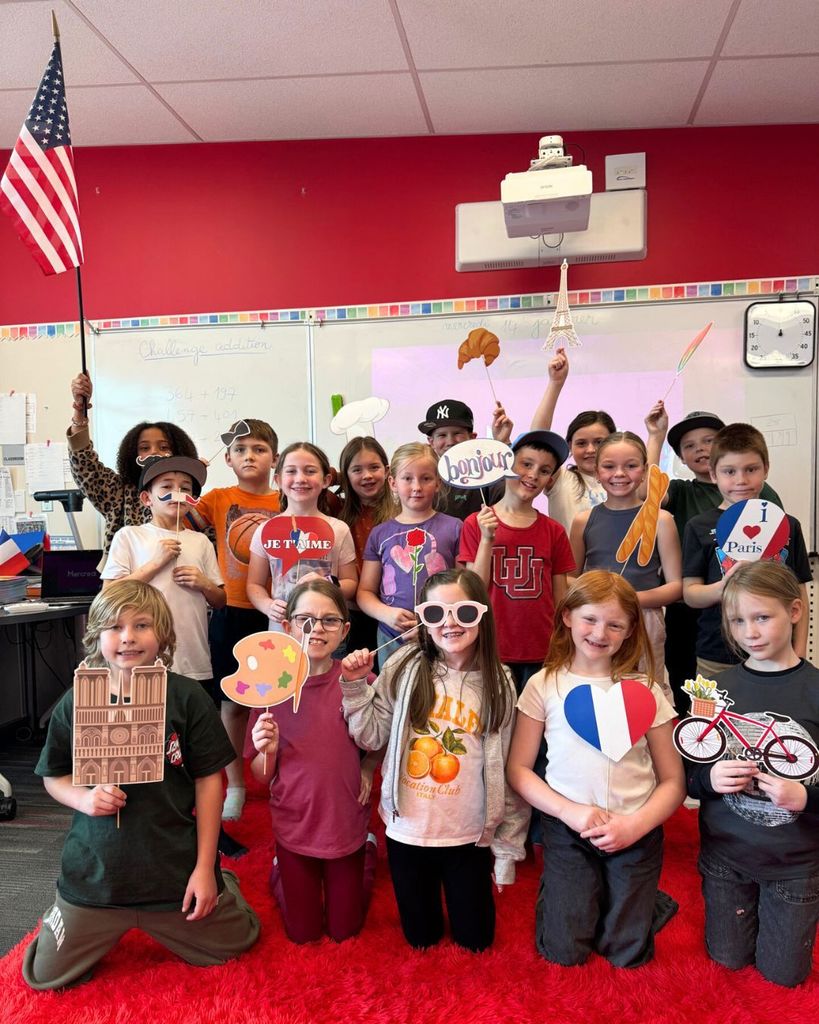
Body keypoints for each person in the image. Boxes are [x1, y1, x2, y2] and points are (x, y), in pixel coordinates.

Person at [21, 580, 259, 990]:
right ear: (95, 635)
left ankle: (226, 886)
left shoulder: (185, 698)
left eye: (142, 625)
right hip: (95, 878)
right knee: (44, 977)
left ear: (162, 634)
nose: (128, 636)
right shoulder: (77, 699)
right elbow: (52, 775)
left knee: (240, 942)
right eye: (115, 627)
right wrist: (82, 797)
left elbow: (208, 780)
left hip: (170, 873)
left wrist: (205, 869)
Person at [341, 568, 528, 952]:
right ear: (423, 618)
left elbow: (508, 772)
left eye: (463, 612)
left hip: (468, 833)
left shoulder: (500, 683)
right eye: (435, 613)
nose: (450, 623)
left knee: (476, 941)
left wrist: (507, 848)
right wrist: (356, 687)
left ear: (482, 615)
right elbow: (371, 735)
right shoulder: (404, 666)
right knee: (420, 939)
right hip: (408, 829)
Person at [507, 571, 684, 968]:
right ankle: (571, 895)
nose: (600, 632)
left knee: (627, 954)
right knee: (564, 952)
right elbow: (519, 770)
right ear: (568, 616)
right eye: (590, 619)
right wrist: (571, 812)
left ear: (629, 630)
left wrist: (635, 826)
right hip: (568, 827)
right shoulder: (543, 684)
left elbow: (674, 781)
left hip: (635, 827)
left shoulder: (647, 690)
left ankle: (641, 901)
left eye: (614, 624)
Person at [685, 561, 819, 987]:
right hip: (726, 858)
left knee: (783, 977)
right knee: (727, 961)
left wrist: (806, 798)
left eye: (762, 617)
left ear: (795, 611)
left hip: (795, 865)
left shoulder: (814, 690)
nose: (750, 633)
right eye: (737, 620)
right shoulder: (716, 691)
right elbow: (688, 773)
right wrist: (709, 781)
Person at [247, 580, 379, 943]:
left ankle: (368, 851)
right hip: (294, 823)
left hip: (345, 823)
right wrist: (266, 750)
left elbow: (381, 737)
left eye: (328, 621)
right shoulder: (269, 687)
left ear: (345, 630)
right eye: (305, 619)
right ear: (287, 626)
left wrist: (368, 767)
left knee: (344, 930)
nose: (316, 629)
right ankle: (281, 869)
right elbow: (261, 776)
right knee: (302, 933)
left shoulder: (360, 680)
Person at [644, 404, 783, 707]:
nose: (700, 449)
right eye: (689, 446)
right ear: (681, 458)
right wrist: (656, 436)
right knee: (691, 691)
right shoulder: (681, 491)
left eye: (708, 440)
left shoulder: (762, 494)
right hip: (690, 606)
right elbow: (648, 493)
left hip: (748, 605)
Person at [190, 418, 280, 822]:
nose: (250, 456)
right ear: (227, 458)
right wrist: (191, 483)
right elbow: (181, 520)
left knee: (284, 703)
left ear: (274, 458)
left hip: (279, 612)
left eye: (259, 449)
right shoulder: (219, 497)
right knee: (233, 705)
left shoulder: (285, 498)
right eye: (241, 450)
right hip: (233, 610)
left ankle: (282, 778)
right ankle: (237, 785)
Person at [682, 423, 811, 677]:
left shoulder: (787, 525)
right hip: (716, 655)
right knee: (715, 717)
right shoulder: (699, 526)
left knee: (777, 716)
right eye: (729, 471)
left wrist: (799, 650)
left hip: (779, 652)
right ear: (713, 473)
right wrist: (722, 587)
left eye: (751, 469)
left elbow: (799, 593)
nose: (741, 480)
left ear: (766, 470)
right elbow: (690, 593)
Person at [459, 430, 575, 692]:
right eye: (526, 464)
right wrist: (487, 538)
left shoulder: (554, 531)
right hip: (491, 649)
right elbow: (472, 591)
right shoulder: (475, 524)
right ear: (506, 465)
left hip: (542, 650)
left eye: (544, 470)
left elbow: (560, 598)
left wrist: (564, 643)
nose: (533, 475)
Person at [569, 431, 681, 702]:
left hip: (644, 619)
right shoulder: (584, 521)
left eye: (631, 466)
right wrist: (600, 600)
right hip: (595, 620)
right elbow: (570, 578)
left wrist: (628, 599)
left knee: (645, 690)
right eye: (609, 466)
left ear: (644, 471)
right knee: (597, 686)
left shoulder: (662, 520)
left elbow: (676, 586)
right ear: (597, 471)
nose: (620, 473)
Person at [101, 455, 225, 690]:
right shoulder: (129, 536)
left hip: (193, 658)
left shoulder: (201, 541)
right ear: (147, 498)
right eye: (167, 486)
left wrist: (204, 583)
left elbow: (220, 600)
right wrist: (156, 563)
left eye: (185, 488)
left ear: (193, 500)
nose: (176, 493)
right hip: (141, 656)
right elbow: (109, 593)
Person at [67, 372, 198, 555]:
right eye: (144, 448)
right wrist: (80, 411)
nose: (154, 452)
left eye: (164, 447)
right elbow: (84, 463)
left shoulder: (188, 496)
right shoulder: (119, 492)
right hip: (126, 580)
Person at [357, 443, 462, 668]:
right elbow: (364, 592)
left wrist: (433, 623)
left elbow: (463, 588)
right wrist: (386, 614)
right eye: (407, 479)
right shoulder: (380, 534)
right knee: (394, 696)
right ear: (393, 483)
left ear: (438, 483)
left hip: (442, 632)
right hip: (392, 635)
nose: (416, 487)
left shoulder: (454, 528)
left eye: (425, 478)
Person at [246, 442, 358, 630]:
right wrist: (267, 605)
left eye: (310, 471)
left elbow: (351, 582)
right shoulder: (266, 530)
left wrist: (328, 583)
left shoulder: (338, 529)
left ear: (326, 480)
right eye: (291, 471)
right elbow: (254, 584)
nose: (300, 478)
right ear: (278, 480)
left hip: (327, 630)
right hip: (282, 629)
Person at [528, 346, 615, 533]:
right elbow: (536, 441)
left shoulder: (623, 481)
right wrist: (555, 383)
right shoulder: (561, 479)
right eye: (581, 443)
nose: (591, 450)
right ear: (569, 447)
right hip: (570, 563)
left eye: (599, 442)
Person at [336, 437, 395, 652]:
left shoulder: (401, 512)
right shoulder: (337, 510)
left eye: (374, 467)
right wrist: (337, 477)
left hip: (390, 612)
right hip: (351, 614)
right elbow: (315, 484)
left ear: (387, 470)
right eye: (357, 470)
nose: (367, 476)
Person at [418, 399, 512, 519]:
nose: (450, 442)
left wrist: (503, 443)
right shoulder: (422, 479)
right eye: (442, 435)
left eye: (457, 433)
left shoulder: (488, 474)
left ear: (472, 438)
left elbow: (514, 494)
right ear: (431, 442)